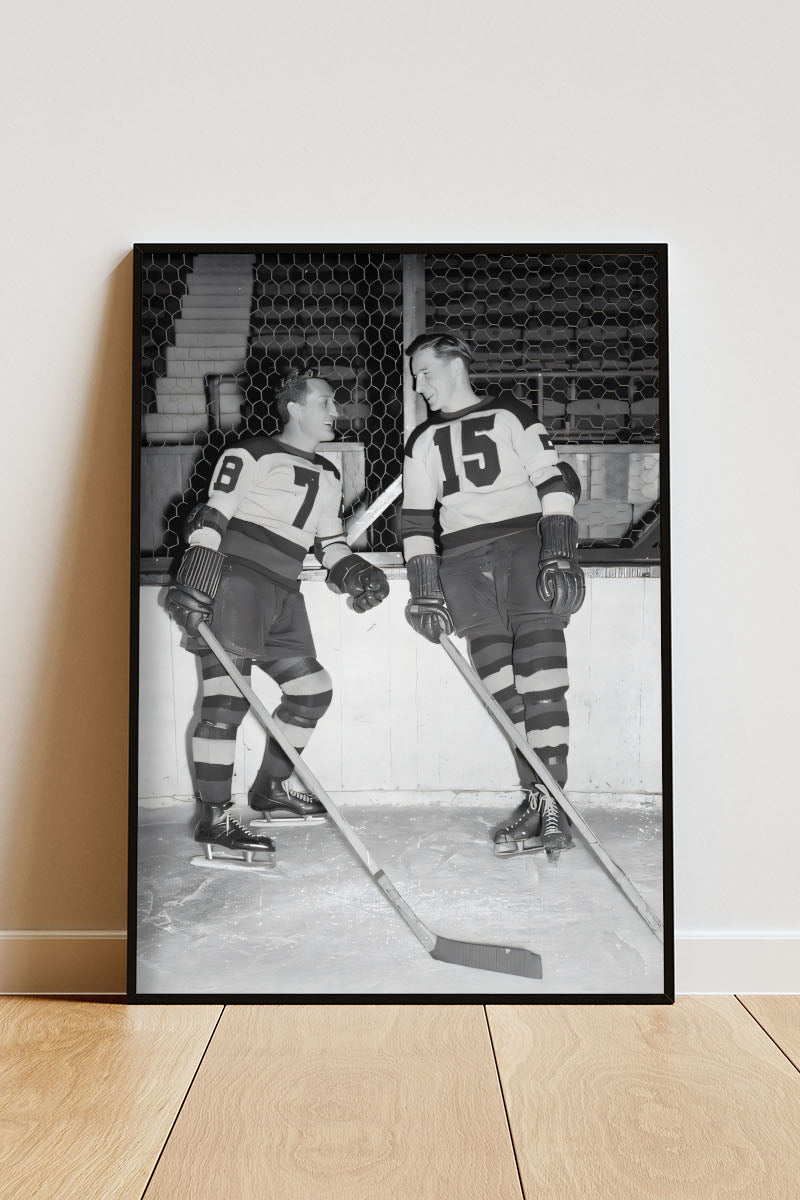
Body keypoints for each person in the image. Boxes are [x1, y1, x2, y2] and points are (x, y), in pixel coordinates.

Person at [165, 367, 390, 864]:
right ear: (294, 408)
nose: (337, 411)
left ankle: (271, 789)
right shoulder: (251, 453)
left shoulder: (330, 473)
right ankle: (216, 818)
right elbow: (214, 513)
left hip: (285, 591)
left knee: (311, 692)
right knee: (225, 704)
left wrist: (350, 568)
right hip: (237, 582)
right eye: (326, 402)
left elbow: (328, 542)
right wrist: (198, 572)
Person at [400, 332, 585, 858]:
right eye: (415, 375)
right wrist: (425, 586)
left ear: (455, 364)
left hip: (523, 549)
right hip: (462, 567)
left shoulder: (511, 412)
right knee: (506, 699)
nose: (419, 384)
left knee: (543, 685)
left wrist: (559, 549)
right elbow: (415, 518)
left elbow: (553, 480)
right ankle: (540, 798)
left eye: (425, 371)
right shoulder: (419, 440)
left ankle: (553, 807)